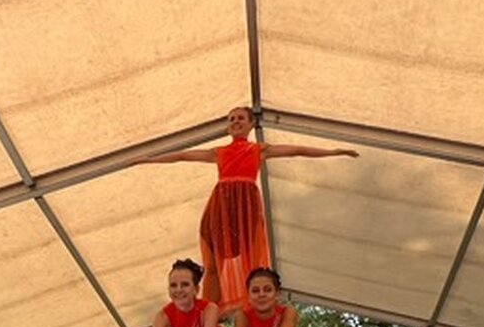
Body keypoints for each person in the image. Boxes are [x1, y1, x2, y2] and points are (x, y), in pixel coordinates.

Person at [135, 106, 358, 311]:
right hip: (221, 206)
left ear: (251, 124)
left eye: (240, 118)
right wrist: (149, 159)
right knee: (213, 258)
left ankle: (249, 306)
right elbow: (183, 156)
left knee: (249, 258)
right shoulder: (218, 152)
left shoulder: (259, 149)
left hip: (246, 205)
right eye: (231, 119)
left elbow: (297, 150)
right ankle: (210, 309)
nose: (235, 121)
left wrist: (334, 151)